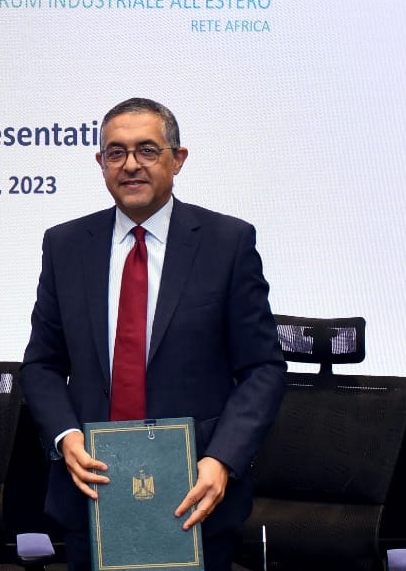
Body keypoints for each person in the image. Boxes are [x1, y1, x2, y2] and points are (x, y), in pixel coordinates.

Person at [20, 98, 286, 571]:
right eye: (116, 152)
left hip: (196, 494)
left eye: (147, 150)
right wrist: (65, 436)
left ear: (177, 159)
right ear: (100, 163)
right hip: (92, 495)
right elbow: (42, 364)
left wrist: (222, 459)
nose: (130, 165)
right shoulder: (65, 245)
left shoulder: (227, 243)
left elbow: (262, 368)